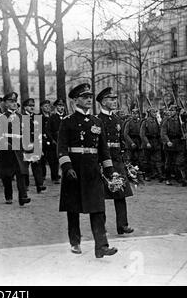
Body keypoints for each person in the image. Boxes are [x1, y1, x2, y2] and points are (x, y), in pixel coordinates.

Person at [58, 83, 118, 258]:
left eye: (90, 97)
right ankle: (75, 242)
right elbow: (61, 148)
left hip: (92, 171)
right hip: (74, 170)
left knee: (98, 209)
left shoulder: (97, 122)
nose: (89, 100)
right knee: (73, 209)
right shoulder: (67, 122)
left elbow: (103, 150)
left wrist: (110, 171)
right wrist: (67, 166)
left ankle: (101, 246)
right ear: (76, 100)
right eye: (85, 97)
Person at [97, 87, 134, 235]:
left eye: (115, 99)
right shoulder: (98, 119)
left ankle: (122, 225)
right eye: (111, 99)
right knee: (101, 195)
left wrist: (124, 159)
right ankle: (101, 226)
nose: (114, 101)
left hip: (117, 160)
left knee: (121, 192)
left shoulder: (117, 119)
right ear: (103, 102)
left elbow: (120, 141)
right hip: (103, 161)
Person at [0, 92, 31, 206]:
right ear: (6, 104)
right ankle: (8, 195)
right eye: (11, 101)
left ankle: (23, 197)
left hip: (19, 148)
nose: (14, 104)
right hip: (7, 148)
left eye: (15, 101)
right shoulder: (2, 117)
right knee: (7, 174)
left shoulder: (21, 117)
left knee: (21, 172)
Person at [21, 98, 46, 193]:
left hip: (35, 145)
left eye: (33, 106)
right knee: (25, 167)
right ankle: (25, 185)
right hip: (25, 145)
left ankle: (39, 185)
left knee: (37, 166)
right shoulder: (21, 117)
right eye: (29, 106)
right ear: (24, 107)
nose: (32, 107)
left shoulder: (37, 117)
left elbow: (40, 133)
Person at [161, 104, 187, 186]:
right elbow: (163, 133)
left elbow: (184, 130)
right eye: (170, 110)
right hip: (169, 143)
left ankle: (179, 178)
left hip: (178, 143)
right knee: (168, 162)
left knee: (179, 162)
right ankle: (168, 178)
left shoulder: (180, 120)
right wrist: (167, 141)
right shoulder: (166, 120)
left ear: (176, 112)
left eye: (173, 110)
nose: (171, 112)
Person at [140, 108, 164, 182]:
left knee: (157, 159)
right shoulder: (145, 122)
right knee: (146, 160)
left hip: (155, 142)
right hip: (148, 142)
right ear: (150, 113)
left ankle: (159, 174)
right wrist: (147, 142)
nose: (155, 114)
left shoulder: (157, 121)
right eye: (153, 112)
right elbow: (142, 134)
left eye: (156, 112)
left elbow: (160, 132)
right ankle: (147, 175)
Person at [40, 100, 59, 183]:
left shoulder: (53, 116)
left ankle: (54, 176)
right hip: (42, 140)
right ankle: (42, 175)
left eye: (48, 106)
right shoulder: (39, 117)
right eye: (45, 106)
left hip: (51, 141)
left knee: (53, 159)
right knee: (42, 159)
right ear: (41, 107)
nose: (47, 108)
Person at [48, 98, 66, 183]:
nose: (61, 107)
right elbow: (48, 130)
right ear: (56, 107)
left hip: (65, 141)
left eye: (62, 106)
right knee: (54, 160)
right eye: (59, 106)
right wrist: (52, 140)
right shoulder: (52, 117)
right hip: (55, 141)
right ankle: (55, 176)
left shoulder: (67, 117)